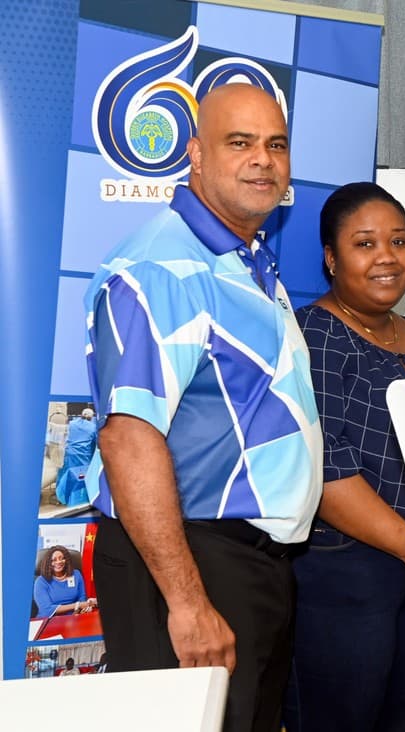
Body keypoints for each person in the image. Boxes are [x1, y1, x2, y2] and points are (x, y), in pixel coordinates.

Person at [83, 83, 322, 732]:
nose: (263, 160)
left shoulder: (243, 259)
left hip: (246, 562)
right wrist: (187, 603)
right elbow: (128, 439)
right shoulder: (161, 266)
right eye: (238, 142)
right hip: (189, 560)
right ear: (193, 153)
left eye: (276, 145)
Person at [283, 182, 405, 732]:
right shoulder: (313, 335)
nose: (387, 257)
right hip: (344, 580)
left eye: (399, 241)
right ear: (331, 258)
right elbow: (325, 466)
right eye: (365, 244)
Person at [33, 545, 97, 617]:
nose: (59, 562)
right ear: (48, 563)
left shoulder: (76, 574)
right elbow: (46, 610)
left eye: (62, 558)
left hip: (73, 618)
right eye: (53, 560)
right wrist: (77, 605)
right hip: (49, 620)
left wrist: (81, 609)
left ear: (66, 560)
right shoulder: (41, 581)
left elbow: (82, 598)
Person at [55, 407, 97, 505]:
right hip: (83, 457)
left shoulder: (72, 424)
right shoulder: (93, 427)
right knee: (81, 478)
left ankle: (61, 499)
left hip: (69, 454)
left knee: (65, 475)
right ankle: (79, 500)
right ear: (91, 417)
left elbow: (64, 436)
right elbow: (95, 443)